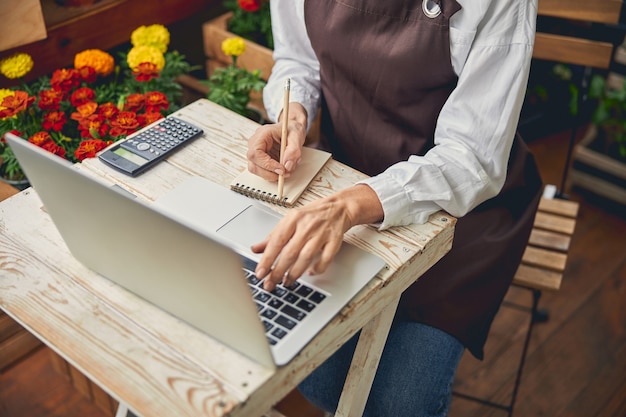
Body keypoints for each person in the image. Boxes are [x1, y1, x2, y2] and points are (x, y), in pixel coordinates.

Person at [246, 0, 543, 416]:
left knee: (401, 403)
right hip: (344, 179)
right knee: (320, 377)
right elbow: (297, 59)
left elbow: (472, 157)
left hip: (462, 211)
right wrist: (292, 116)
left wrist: (353, 205)